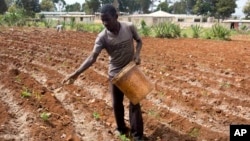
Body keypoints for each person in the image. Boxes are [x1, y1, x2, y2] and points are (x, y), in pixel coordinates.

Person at [63, 4, 145, 141]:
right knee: (116, 103)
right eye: (102, 20)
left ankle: (138, 136)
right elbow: (92, 57)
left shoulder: (129, 27)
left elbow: (139, 41)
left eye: (107, 19)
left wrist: (137, 54)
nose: (105, 23)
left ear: (116, 17)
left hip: (130, 71)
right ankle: (121, 129)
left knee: (135, 102)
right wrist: (76, 73)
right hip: (115, 74)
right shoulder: (102, 37)